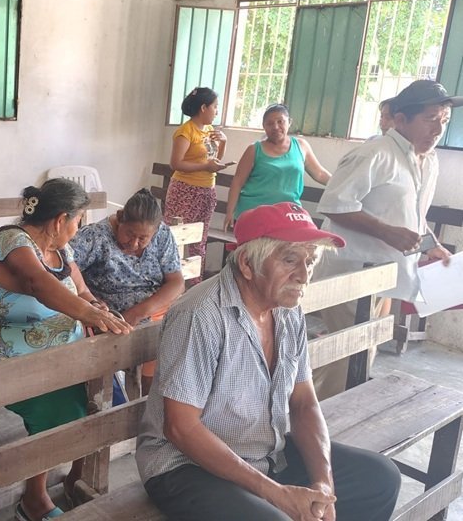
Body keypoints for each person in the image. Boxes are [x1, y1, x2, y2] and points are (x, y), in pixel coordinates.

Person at [136, 202, 401, 521]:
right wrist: (277, 494)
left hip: (262, 452)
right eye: (290, 259)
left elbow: (303, 403)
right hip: (185, 468)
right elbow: (181, 427)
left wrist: (324, 487)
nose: (303, 275)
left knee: (379, 478)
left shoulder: (288, 311)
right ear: (247, 263)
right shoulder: (200, 315)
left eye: (310, 260)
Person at [0, 178, 130, 520]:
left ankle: (76, 477)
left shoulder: (61, 249)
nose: (78, 228)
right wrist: (87, 314)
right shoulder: (12, 240)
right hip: (8, 358)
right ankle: (34, 499)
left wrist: (98, 308)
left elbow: (80, 289)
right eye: (78, 221)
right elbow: (37, 283)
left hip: (61, 355)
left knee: (103, 396)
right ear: (60, 220)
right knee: (62, 411)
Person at [312, 80, 461, 399]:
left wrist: (427, 245)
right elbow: (335, 204)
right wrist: (387, 232)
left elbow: (413, 216)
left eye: (443, 120)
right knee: (350, 354)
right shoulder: (375, 153)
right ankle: (322, 428)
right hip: (349, 271)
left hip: (386, 273)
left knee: (357, 352)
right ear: (401, 119)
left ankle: (307, 409)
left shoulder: (428, 161)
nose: (437, 128)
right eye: (430, 118)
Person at [71, 188, 184, 396]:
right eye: (129, 234)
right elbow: (64, 265)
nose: (134, 244)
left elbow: (176, 282)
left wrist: (139, 312)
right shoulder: (96, 237)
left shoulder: (162, 234)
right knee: (156, 341)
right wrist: (89, 300)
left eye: (143, 239)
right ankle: (145, 403)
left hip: (152, 312)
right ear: (120, 218)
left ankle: (156, 402)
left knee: (177, 333)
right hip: (113, 317)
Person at [224, 104, 331, 230]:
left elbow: (319, 174)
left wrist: (342, 184)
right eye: (269, 124)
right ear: (264, 126)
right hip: (253, 214)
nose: (275, 127)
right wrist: (230, 212)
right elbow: (238, 182)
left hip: (288, 215)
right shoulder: (254, 149)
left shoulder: (301, 146)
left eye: (280, 122)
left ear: (289, 122)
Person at [163, 87, 229, 284]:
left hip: (206, 191)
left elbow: (213, 160)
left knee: (199, 237)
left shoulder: (209, 131)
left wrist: (223, 143)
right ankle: (170, 282)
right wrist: (205, 166)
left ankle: (193, 282)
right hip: (185, 190)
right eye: (215, 107)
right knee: (177, 236)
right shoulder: (185, 132)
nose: (217, 111)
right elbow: (176, 163)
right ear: (203, 107)